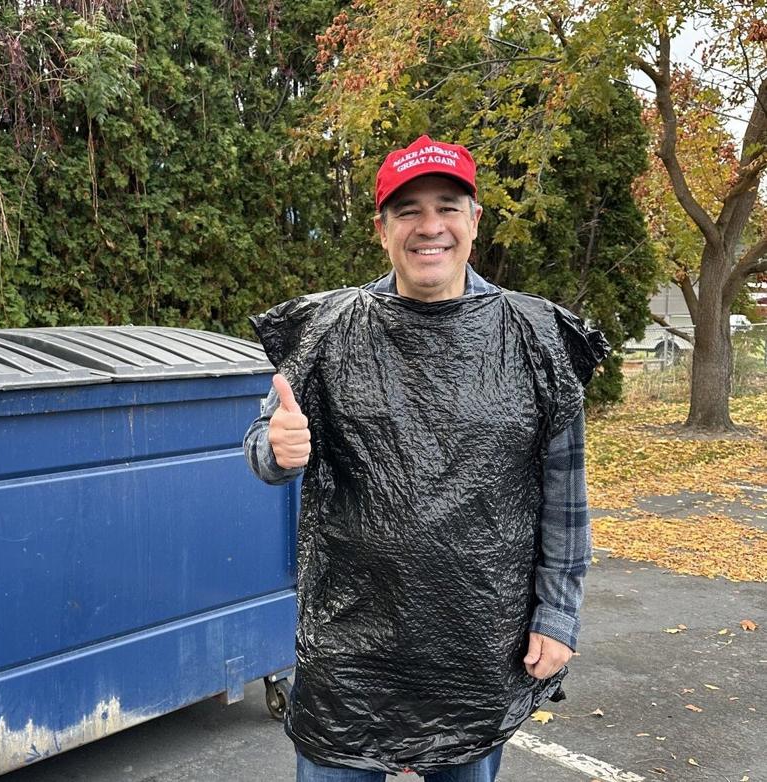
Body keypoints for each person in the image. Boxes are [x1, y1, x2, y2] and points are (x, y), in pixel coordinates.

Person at [243, 135, 601, 782]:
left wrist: (556, 613)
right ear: (381, 230)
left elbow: (564, 500)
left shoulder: (536, 340)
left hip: (477, 648)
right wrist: (273, 449)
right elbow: (267, 446)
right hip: (350, 651)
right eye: (407, 210)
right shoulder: (329, 331)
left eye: (446, 205)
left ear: (473, 221)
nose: (428, 226)